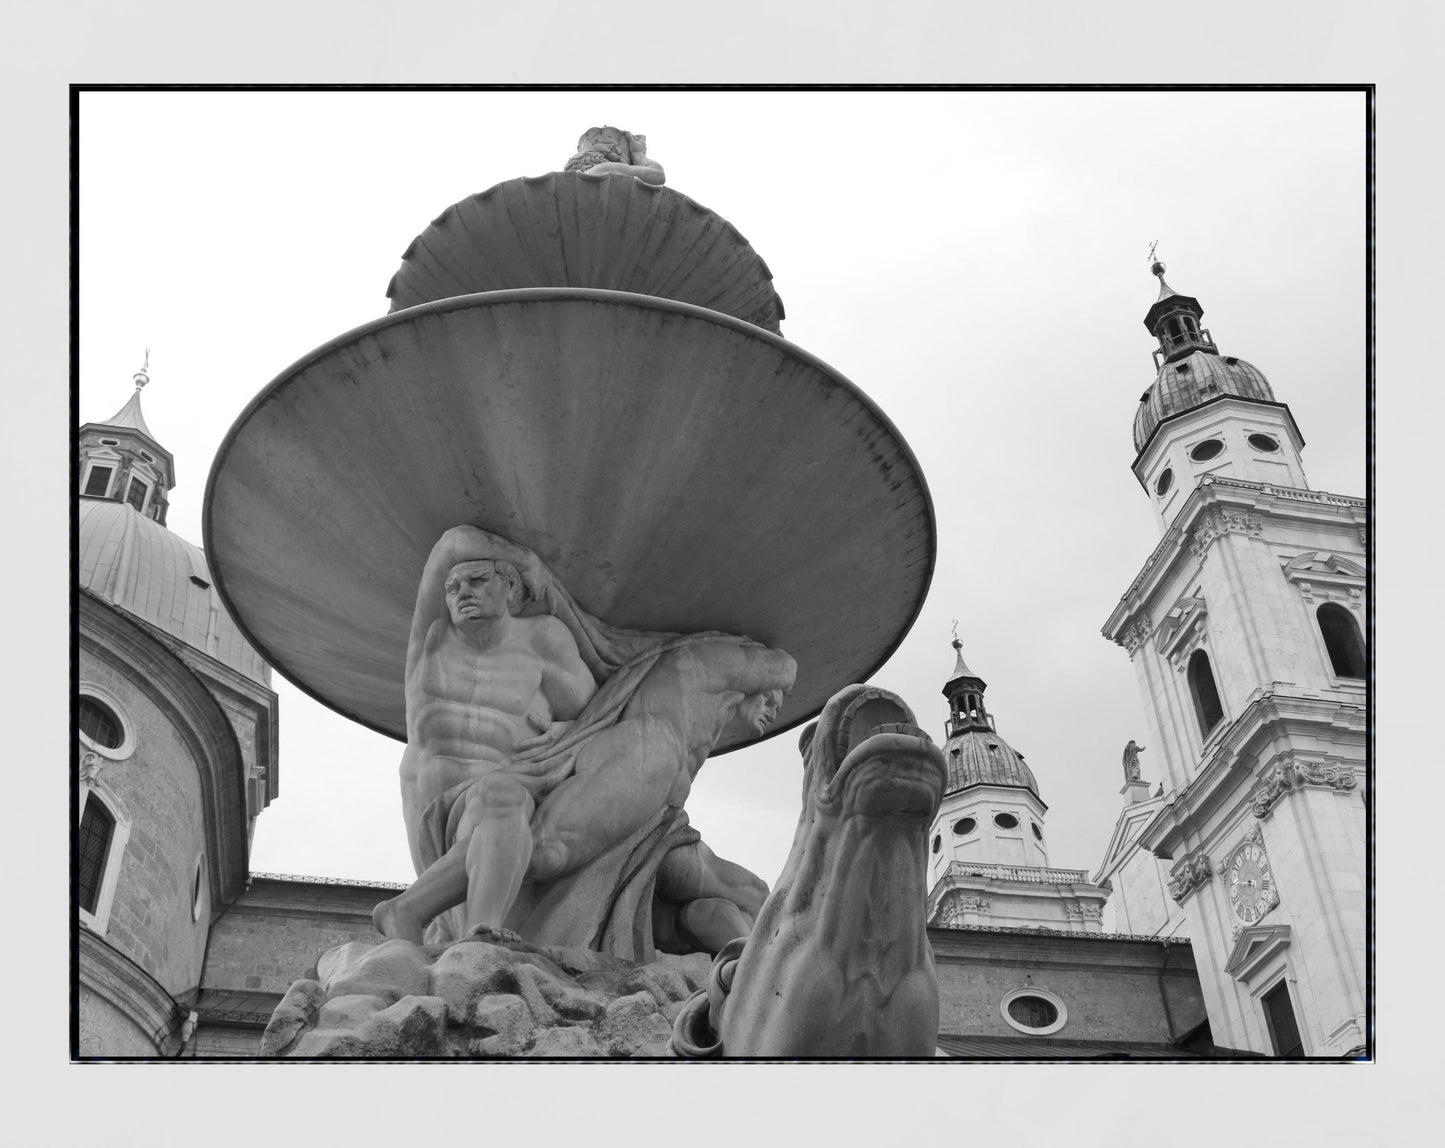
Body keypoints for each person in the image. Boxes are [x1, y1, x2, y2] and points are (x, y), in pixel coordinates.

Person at [373, 528, 598, 945]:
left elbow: (595, 714)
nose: (463, 594)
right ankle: (458, 929)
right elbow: (451, 544)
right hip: (430, 803)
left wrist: (565, 732)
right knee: (502, 797)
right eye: (453, 587)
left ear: (510, 589)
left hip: (498, 801)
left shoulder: (542, 640)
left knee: (503, 795)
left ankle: (470, 933)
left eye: (478, 581)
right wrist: (528, 561)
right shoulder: (431, 638)